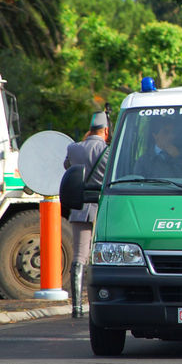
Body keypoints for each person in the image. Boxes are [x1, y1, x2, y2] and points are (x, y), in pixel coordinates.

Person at [64, 112, 109, 318]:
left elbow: (67, 167)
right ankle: (99, 300)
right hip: (103, 209)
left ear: (89, 129)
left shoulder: (73, 148)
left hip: (81, 207)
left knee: (79, 257)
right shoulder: (110, 151)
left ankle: (76, 307)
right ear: (106, 131)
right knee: (103, 257)